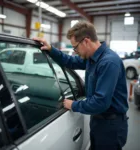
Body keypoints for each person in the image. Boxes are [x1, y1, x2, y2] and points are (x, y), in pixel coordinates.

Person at [33, 21, 129, 150]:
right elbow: (70, 61)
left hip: (110, 126)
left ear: (86, 41)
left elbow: (100, 102)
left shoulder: (108, 62)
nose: (75, 51)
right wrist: (51, 49)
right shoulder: (92, 58)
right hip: (99, 122)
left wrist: (73, 105)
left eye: (75, 47)